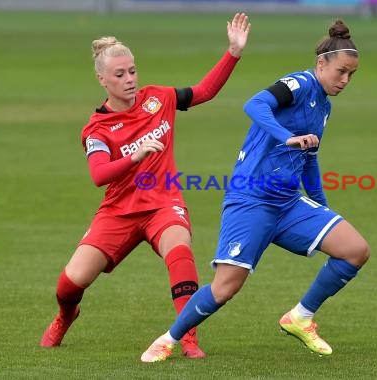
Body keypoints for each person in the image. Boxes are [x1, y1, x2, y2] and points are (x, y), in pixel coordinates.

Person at [140, 19, 370, 363]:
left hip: (289, 204)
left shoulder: (323, 105)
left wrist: (323, 207)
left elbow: (310, 158)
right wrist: (286, 136)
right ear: (321, 64)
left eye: (351, 75)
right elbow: (255, 104)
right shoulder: (299, 84)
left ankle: (300, 318)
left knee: (355, 250)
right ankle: (168, 338)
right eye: (341, 72)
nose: (345, 81)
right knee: (225, 288)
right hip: (251, 200)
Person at [39, 13, 251, 360]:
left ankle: (188, 338)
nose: (129, 79)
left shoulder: (160, 98)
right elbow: (98, 175)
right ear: (102, 79)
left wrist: (233, 52)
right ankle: (65, 316)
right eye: (119, 74)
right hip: (119, 211)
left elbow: (204, 92)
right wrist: (134, 156)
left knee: (180, 250)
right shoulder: (98, 128)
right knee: (70, 282)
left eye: (132, 71)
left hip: (163, 204)